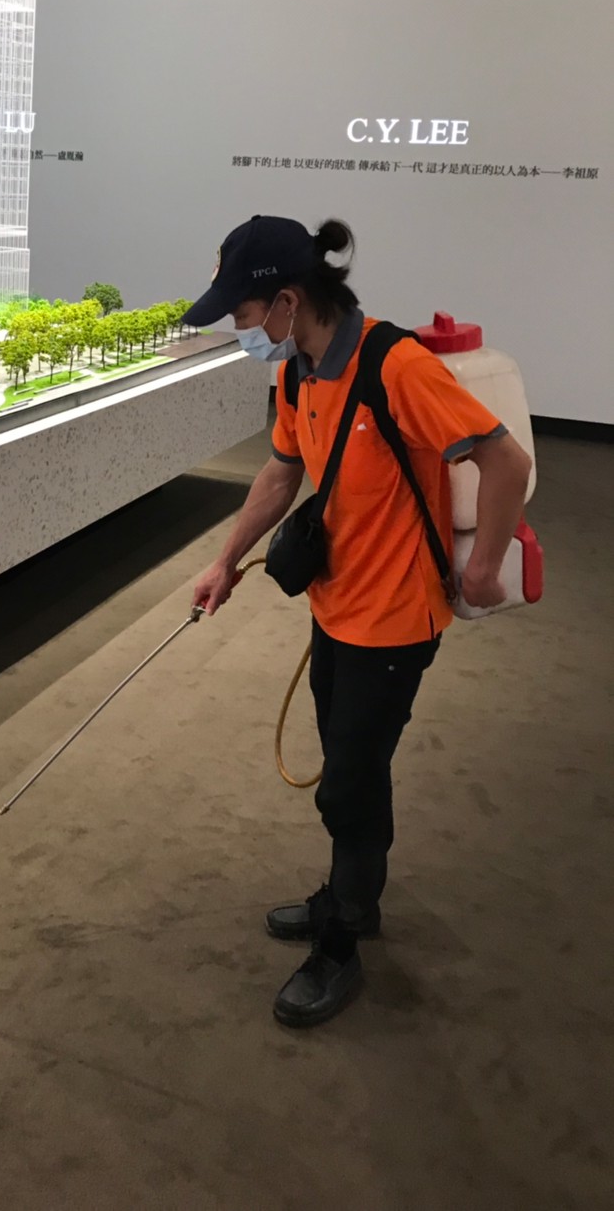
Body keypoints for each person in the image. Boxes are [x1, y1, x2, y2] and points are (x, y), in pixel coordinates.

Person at [186, 214, 532, 1028]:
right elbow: (281, 474)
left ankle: (341, 941)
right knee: (347, 765)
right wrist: (225, 561)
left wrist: (484, 567)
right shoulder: (299, 372)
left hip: (398, 619)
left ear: (287, 301)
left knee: (351, 781)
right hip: (335, 606)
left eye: (244, 313)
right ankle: (353, 897)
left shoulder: (394, 366)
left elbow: (505, 459)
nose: (241, 329)